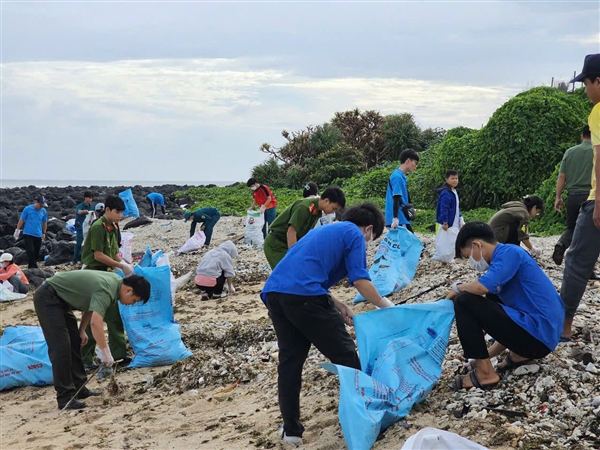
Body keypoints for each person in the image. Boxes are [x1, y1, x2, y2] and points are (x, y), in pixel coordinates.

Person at [261, 203, 395, 446]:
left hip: (276, 294)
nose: (367, 243)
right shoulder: (355, 234)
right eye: (371, 239)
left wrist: (339, 306)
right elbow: (360, 280)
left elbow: (305, 275)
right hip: (305, 297)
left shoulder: (323, 231)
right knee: (347, 358)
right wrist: (389, 308)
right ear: (369, 229)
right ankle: (367, 417)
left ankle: (291, 431)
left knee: (290, 362)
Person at [446, 222, 564, 391]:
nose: (471, 262)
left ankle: (485, 374)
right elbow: (506, 318)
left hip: (539, 335)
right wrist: (485, 356)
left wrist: (457, 288)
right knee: (491, 296)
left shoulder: (509, 252)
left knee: (464, 300)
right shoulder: (504, 260)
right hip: (540, 337)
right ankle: (517, 356)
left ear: (477, 245)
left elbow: (481, 288)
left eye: (468, 256)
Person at [33, 270, 150, 409]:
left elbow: (91, 304)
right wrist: (106, 353)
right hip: (48, 297)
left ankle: (80, 388)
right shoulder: (107, 289)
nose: (131, 304)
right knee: (61, 347)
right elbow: (96, 323)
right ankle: (65, 398)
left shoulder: (115, 283)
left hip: (62, 301)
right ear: (129, 290)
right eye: (134, 300)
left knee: (74, 341)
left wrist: (81, 330)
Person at [561, 54, 600, 342]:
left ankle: (563, 325)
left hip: (593, 199)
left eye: (586, 83)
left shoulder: (598, 111)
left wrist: (599, 202)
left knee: (577, 260)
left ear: (598, 80)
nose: (585, 89)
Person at [80, 195, 132, 370]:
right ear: (107, 210)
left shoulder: (114, 227)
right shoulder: (98, 227)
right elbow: (98, 255)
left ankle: (119, 356)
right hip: (93, 274)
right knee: (92, 316)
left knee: (114, 316)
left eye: (122, 213)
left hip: (108, 275)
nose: (120, 216)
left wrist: (126, 264)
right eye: (117, 212)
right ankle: (85, 358)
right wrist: (120, 265)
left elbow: (114, 252)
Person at [263, 186, 346, 269]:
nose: (333, 212)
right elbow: (291, 232)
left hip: (287, 243)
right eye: (334, 208)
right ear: (327, 201)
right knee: (287, 273)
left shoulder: (317, 211)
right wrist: (294, 256)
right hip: (276, 244)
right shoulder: (304, 207)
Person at [553, 125, 594, 266]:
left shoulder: (570, 152)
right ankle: (586, 268)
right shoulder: (596, 151)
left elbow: (562, 176)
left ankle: (561, 244)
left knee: (571, 228)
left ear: (582, 136)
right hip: (591, 197)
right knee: (591, 233)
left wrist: (558, 197)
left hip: (572, 196)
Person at [433, 170, 464, 263]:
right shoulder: (446, 193)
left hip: (454, 221)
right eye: (452, 178)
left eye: (456, 178)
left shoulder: (453, 191)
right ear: (447, 179)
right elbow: (444, 208)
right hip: (448, 222)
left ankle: (450, 257)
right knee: (446, 241)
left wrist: (460, 217)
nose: (455, 181)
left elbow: (456, 208)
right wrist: (445, 222)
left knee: (452, 240)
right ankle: (444, 257)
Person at [385, 148, 419, 232]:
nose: (416, 166)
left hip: (403, 217)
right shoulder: (397, 177)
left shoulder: (401, 176)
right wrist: (395, 218)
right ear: (408, 160)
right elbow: (396, 197)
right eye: (415, 163)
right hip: (399, 219)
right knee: (411, 243)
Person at [14, 195, 48, 269]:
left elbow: (44, 222)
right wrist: (17, 230)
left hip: (38, 234)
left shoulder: (43, 211)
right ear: (37, 202)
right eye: (40, 205)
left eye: (43, 205)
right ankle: (34, 267)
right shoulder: (28, 209)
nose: (41, 207)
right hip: (28, 233)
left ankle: (31, 267)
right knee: (30, 251)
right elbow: (22, 219)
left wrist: (44, 233)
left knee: (36, 252)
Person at [72, 191, 94, 265]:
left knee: (87, 244)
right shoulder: (81, 205)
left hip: (88, 227)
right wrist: (84, 211)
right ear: (85, 198)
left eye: (91, 198)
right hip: (80, 226)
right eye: (89, 198)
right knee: (79, 243)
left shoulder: (91, 206)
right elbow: (78, 212)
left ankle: (83, 259)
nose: (90, 199)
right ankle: (74, 260)